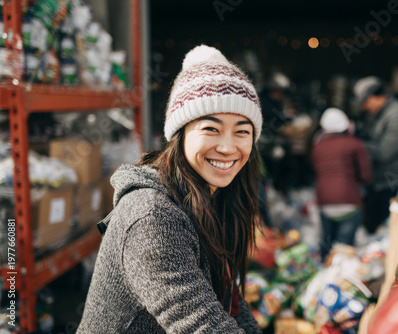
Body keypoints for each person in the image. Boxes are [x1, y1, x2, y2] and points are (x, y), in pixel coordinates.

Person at [78, 45, 263, 333]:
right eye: (210, 129)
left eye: (242, 131)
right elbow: (204, 327)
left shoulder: (215, 198)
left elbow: (231, 304)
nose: (228, 148)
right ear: (180, 134)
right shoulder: (152, 217)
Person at [353, 76, 398, 234]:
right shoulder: (378, 113)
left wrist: (354, 144)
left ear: (376, 96)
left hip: (392, 184)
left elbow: (383, 152)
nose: (364, 107)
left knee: (385, 232)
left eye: (365, 102)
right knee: (371, 228)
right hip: (377, 182)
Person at [312, 108, 372, 258]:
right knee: (343, 249)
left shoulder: (318, 147)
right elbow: (366, 175)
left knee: (327, 243)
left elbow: (315, 170)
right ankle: (340, 275)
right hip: (349, 202)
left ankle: (322, 274)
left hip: (324, 202)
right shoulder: (354, 144)